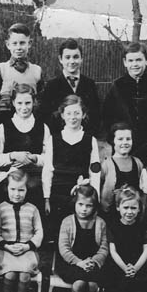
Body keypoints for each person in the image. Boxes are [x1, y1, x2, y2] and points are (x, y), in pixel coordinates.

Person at [43, 94, 100, 241]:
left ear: (84, 114)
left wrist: (95, 196)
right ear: (62, 115)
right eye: (68, 113)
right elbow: (48, 169)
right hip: (58, 192)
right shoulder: (53, 139)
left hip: (81, 192)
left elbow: (95, 170)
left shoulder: (90, 140)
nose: (72, 117)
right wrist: (47, 197)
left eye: (77, 113)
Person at [0, 169, 43, 292]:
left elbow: (39, 232)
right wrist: (6, 245)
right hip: (6, 250)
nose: (17, 193)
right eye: (13, 189)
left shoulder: (33, 209)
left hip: (26, 250)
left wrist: (27, 246)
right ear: (7, 188)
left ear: (27, 189)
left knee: (25, 274)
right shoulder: (0, 209)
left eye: (21, 190)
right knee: (10, 274)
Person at [103, 42, 147, 165]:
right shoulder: (117, 86)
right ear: (125, 62)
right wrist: (115, 139)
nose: (135, 64)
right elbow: (107, 117)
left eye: (138, 60)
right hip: (123, 145)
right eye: (131, 61)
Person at [0, 83, 52, 215]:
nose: (24, 108)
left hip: (34, 182)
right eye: (20, 103)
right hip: (9, 182)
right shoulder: (3, 128)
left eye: (28, 103)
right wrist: (13, 155)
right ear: (13, 102)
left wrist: (34, 158)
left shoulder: (43, 127)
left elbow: (48, 159)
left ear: (34, 102)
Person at [55, 185, 108, 292]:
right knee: (79, 284)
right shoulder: (67, 222)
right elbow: (64, 248)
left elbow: (104, 248)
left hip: (92, 263)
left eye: (88, 206)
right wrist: (79, 262)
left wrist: (94, 261)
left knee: (92, 284)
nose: (84, 209)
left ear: (94, 206)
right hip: (71, 263)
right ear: (75, 204)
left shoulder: (100, 223)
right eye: (80, 204)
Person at [104, 186, 147, 292]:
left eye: (133, 208)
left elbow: (146, 250)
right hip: (119, 264)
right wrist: (125, 268)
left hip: (138, 264)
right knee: (119, 279)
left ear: (139, 209)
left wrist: (135, 268)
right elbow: (113, 250)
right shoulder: (113, 226)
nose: (129, 212)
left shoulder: (143, 226)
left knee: (143, 279)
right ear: (118, 207)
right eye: (126, 207)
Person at [40, 38, 101, 136]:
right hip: (59, 139)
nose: (72, 61)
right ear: (60, 59)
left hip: (84, 138)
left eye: (76, 57)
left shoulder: (90, 84)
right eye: (67, 57)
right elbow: (45, 116)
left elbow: (96, 114)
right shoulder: (51, 86)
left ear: (81, 58)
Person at [0, 23, 43, 125]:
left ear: (29, 43)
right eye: (14, 43)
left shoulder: (37, 70)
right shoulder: (1, 68)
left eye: (22, 43)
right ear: (8, 45)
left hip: (30, 121)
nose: (18, 47)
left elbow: (41, 101)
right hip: (5, 120)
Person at [100, 122, 144, 221]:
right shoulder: (106, 164)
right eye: (120, 139)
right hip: (110, 216)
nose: (125, 142)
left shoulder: (138, 163)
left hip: (132, 216)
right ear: (113, 141)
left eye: (128, 139)